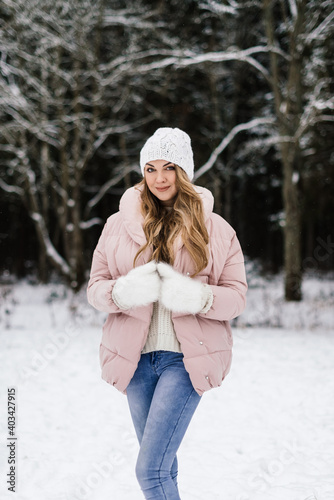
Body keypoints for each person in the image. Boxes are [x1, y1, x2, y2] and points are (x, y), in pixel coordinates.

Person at [87, 127, 247, 499]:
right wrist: (122, 291)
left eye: (169, 167)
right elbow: (95, 288)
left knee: (150, 469)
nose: (159, 178)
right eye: (151, 168)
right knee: (163, 465)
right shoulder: (116, 226)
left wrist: (199, 297)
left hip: (186, 359)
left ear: (185, 172)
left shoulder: (216, 229)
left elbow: (237, 297)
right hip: (135, 359)